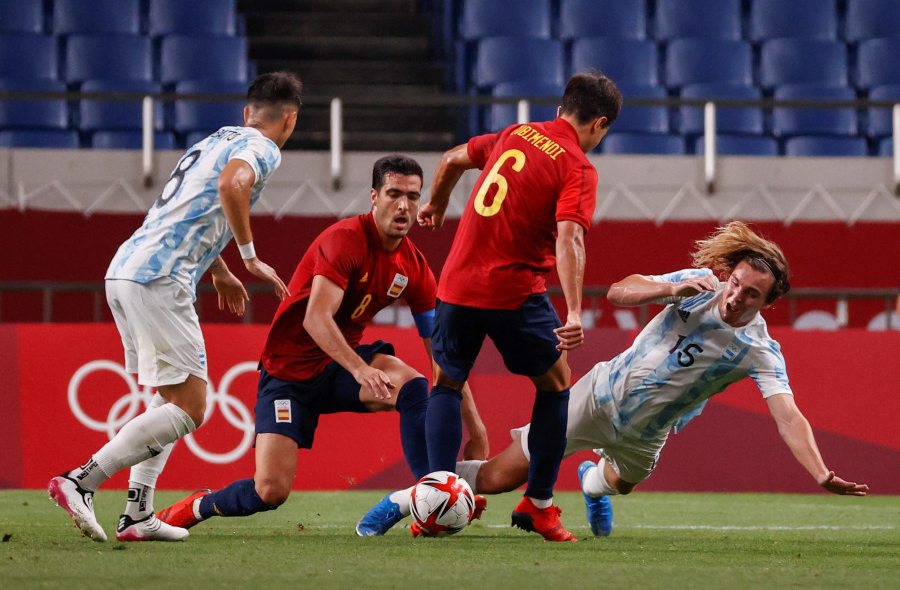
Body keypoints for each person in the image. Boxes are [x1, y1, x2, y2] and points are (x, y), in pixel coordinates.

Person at [358, 220, 869, 539]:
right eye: (736, 283)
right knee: (499, 478)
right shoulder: (698, 286)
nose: (735, 297)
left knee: (617, 484)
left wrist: (821, 473)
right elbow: (620, 292)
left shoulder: (759, 350)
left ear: (767, 304)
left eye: (751, 294)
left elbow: (787, 415)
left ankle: (591, 485)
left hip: (648, 434)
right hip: (597, 399)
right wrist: (667, 291)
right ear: (727, 274)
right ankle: (410, 497)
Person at [154, 155, 488, 533]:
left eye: (413, 197)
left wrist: (474, 424)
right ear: (374, 197)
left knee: (413, 385)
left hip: (337, 369)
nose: (404, 205)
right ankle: (198, 506)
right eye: (394, 194)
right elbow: (316, 319)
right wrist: (362, 370)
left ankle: (426, 499)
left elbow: (440, 351)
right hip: (289, 374)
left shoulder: (413, 266)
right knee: (269, 492)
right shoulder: (344, 240)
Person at [48, 71, 303, 542]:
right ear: (290, 120)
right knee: (190, 407)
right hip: (159, 278)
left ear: (247, 112)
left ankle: (138, 514)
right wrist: (249, 258)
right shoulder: (265, 148)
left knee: (169, 397)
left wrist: (218, 267)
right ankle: (80, 480)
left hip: (127, 268)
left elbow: (192, 206)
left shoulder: (213, 139)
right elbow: (231, 186)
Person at [413, 71, 622, 542]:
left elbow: (450, 160)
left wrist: (437, 204)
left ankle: (434, 503)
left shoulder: (515, 133)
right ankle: (539, 506)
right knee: (556, 384)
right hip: (513, 292)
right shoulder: (577, 166)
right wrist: (572, 311)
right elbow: (570, 238)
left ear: (563, 106)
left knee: (446, 384)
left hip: (456, 285)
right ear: (599, 124)